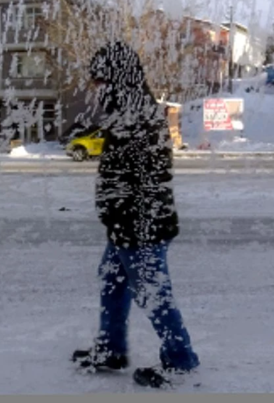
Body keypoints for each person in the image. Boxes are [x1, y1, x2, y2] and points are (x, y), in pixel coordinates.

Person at [71, 41, 200, 389]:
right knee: (112, 279)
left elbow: (148, 178)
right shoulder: (126, 110)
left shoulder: (136, 115)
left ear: (115, 78)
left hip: (140, 224)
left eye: (100, 80)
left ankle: (180, 360)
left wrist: (132, 224)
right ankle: (111, 349)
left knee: (152, 291)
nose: (95, 88)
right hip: (128, 222)